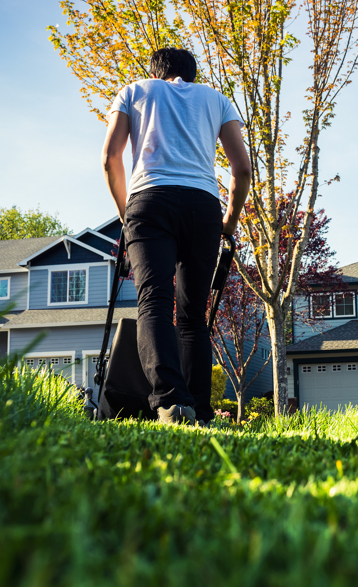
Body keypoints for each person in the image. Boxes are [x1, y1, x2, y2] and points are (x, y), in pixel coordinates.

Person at [101, 48, 251, 426]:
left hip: (149, 201)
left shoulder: (134, 90)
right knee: (193, 317)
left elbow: (110, 157)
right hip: (203, 206)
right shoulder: (216, 100)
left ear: (155, 71)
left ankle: (170, 403)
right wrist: (228, 225)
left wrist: (126, 212)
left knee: (154, 300)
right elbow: (243, 169)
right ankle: (199, 412)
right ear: (192, 73)